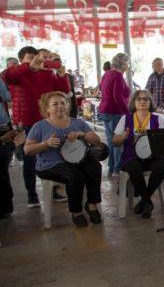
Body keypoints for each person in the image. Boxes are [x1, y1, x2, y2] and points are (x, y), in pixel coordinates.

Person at [3, 45, 71, 206]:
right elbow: (6, 76)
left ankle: (55, 191)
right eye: (30, 58)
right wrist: (28, 67)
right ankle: (32, 195)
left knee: (54, 156)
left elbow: (63, 91)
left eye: (37, 58)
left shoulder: (47, 74)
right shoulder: (18, 73)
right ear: (21, 61)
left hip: (48, 122)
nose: (36, 61)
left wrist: (62, 77)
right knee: (30, 160)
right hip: (26, 123)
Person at [23, 92, 103, 227]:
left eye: (63, 103)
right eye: (55, 104)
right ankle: (76, 212)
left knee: (95, 167)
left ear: (67, 106)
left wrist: (82, 134)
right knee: (75, 176)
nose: (60, 106)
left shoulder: (78, 123)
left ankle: (92, 204)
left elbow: (96, 141)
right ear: (47, 108)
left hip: (77, 161)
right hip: (50, 165)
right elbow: (27, 150)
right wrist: (45, 144)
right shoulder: (39, 126)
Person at [112, 89, 164, 219]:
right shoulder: (125, 118)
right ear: (134, 102)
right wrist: (123, 137)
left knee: (161, 166)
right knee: (133, 168)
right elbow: (114, 142)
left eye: (146, 99)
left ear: (150, 102)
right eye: (139, 99)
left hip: (155, 156)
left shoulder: (159, 119)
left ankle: (143, 201)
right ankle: (147, 201)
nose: (142, 101)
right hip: (132, 156)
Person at [98, 53, 131, 177]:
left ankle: (111, 168)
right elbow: (118, 96)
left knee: (111, 141)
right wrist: (127, 113)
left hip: (105, 110)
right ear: (123, 64)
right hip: (115, 111)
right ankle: (117, 168)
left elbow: (102, 88)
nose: (128, 65)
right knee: (118, 141)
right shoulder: (117, 75)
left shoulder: (107, 74)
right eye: (127, 63)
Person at [0, 77, 23, 218]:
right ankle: (4, 208)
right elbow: (8, 96)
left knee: (2, 169)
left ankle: (5, 208)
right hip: (3, 126)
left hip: (4, 126)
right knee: (2, 170)